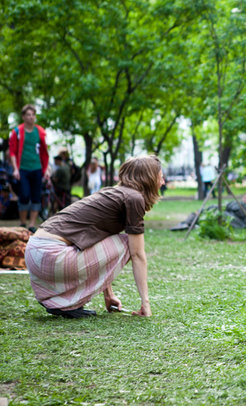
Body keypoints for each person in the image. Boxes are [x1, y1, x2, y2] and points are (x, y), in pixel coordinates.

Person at [25, 155, 164, 318]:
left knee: (123, 242)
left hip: (35, 253)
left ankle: (62, 302)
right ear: (149, 179)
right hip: (52, 255)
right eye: (160, 177)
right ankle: (64, 303)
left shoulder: (112, 193)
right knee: (128, 243)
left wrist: (108, 295)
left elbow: (101, 242)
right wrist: (145, 304)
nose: (162, 182)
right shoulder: (134, 198)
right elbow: (138, 254)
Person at [8, 104, 50, 233]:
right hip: (23, 169)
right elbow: (12, 152)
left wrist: (46, 169)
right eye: (28, 115)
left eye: (33, 115)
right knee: (25, 195)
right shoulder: (17, 132)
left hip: (37, 168)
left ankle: (32, 224)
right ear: (23, 116)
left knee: (36, 197)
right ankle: (22, 222)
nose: (31, 117)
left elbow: (44, 153)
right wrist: (15, 169)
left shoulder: (40, 132)